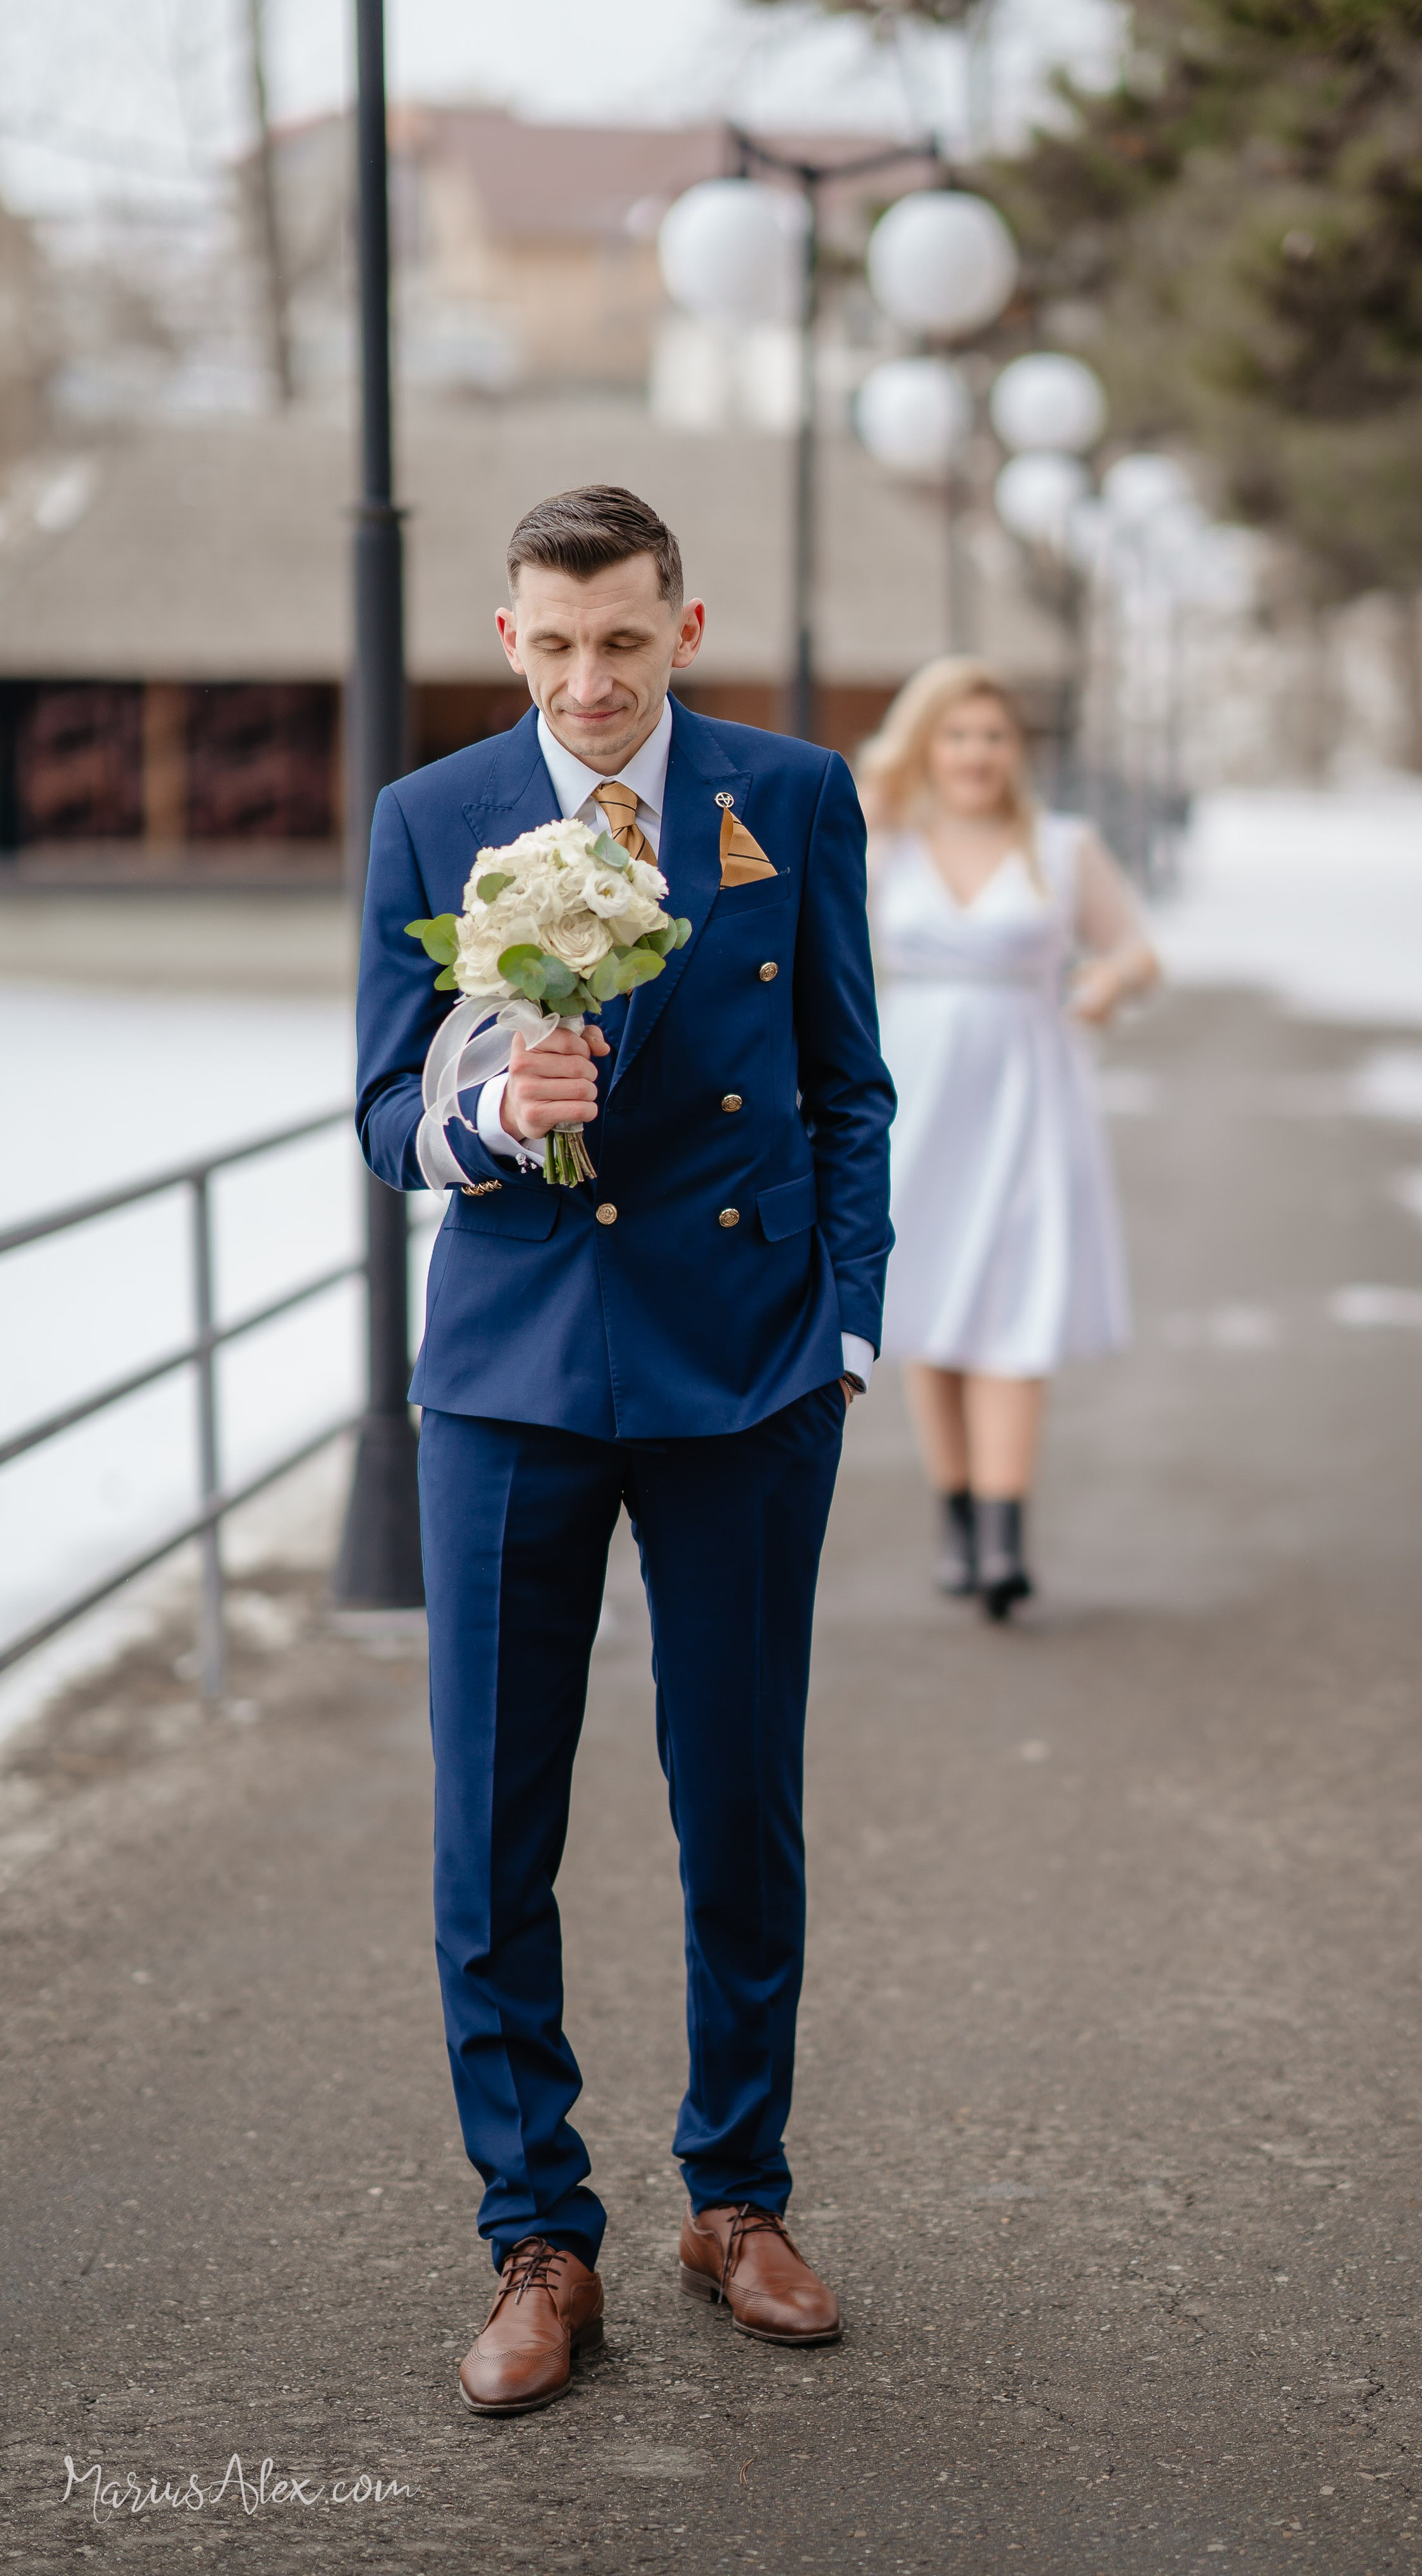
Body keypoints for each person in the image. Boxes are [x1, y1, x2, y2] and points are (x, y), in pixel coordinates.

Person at [355, 485, 894, 2415]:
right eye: (555, 642)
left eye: (626, 640)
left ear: (685, 627)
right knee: (491, 1821)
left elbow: (848, 1082)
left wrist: (840, 1319)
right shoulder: (434, 816)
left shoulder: (795, 797)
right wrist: (497, 1107)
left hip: (746, 1373)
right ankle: (538, 2235)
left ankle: (735, 2197)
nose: (592, 681)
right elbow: (377, 1117)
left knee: (738, 1796)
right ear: (511, 640)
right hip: (509, 1379)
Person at [858, 657, 1159, 1619]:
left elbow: (1137, 949)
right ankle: (957, 1516)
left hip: (1029, 1093)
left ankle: (1003, 1539)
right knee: (934, 1305)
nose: (977, 753)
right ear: (926, 745)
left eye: (993, 735)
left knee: (1011, 1312)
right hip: (917, 1091)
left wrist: (1110, 984)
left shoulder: (1062, 848)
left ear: (1015, 750)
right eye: (956, 734)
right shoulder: (886, 843)